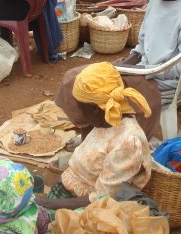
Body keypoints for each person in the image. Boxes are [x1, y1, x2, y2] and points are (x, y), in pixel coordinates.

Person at [55, 0, 181, 140]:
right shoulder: (155, 2)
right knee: (73, 77)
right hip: (141, 70)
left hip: (162, 80)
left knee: (94, 90)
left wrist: (139, 70)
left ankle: (101, 139)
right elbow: (143, 44)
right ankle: (90, 131)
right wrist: (130, 60)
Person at [50, 62, 152, 199]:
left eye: (81, 107)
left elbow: (101, 200)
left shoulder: (128, 144)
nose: (80, 112)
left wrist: (49, 204)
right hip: (70, 192)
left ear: (95, 109)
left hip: (89, 210)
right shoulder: (106, 121)